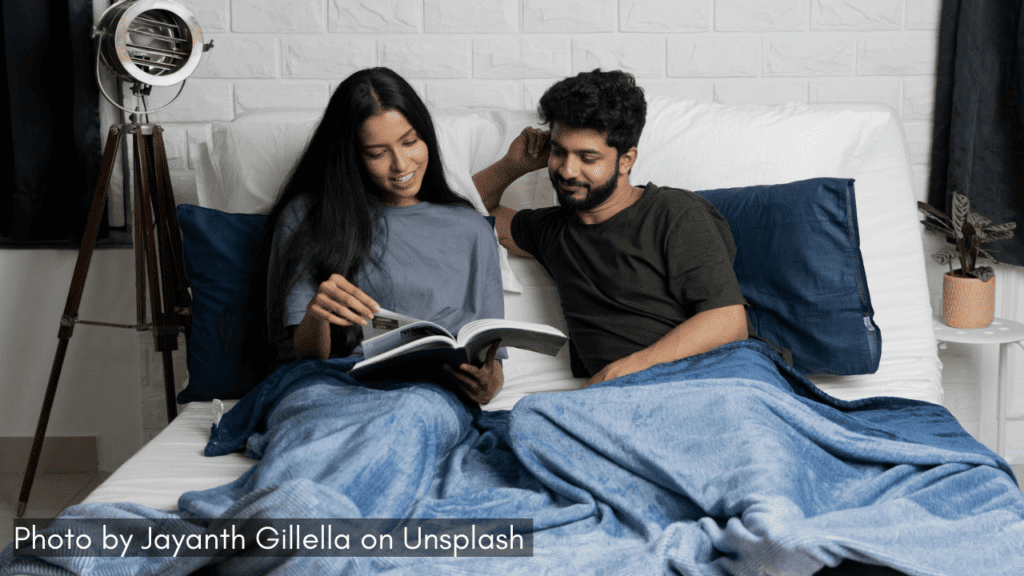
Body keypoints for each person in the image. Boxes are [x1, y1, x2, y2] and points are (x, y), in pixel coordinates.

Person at [475, 69, 754, 386]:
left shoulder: (674, 212)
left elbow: (729, 321)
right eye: (558, 151)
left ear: (626, 160)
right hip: (621, 400)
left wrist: (619, 372)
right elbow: (465, 212)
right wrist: (512, 166)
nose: (567, 170)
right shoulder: (550, 230)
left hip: (711, 379)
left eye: (587, 157)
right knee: (523, 421)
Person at [262, 66, 522, 404]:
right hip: (334, 390)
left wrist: (489, 384)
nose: (401, 164)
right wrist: (316, 313)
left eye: (410, 142)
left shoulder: (472, 229)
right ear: (351, 156)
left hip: (428, 398)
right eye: (377, 153)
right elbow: (307, 359)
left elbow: (491, 358)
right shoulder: (310, 216)